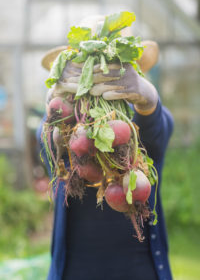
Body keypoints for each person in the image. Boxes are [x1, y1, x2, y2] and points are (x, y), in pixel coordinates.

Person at [37, 15, 174, 280]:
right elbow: (45, 148)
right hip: (77, 266)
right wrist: (54, 108)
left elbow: (160, 132)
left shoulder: (136, 112)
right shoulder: (68, 118)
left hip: (138, 267)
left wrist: (149, 102)